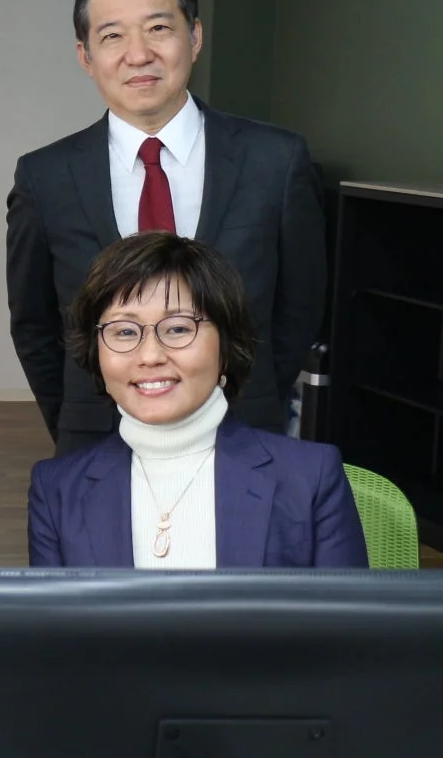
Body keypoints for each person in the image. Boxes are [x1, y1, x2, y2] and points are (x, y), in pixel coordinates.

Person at [7, 0, 327, 456]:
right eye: (112, 36)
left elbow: (300, 306)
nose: (138, 54)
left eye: (158, 28)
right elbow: (35, 325)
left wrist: (247, 393)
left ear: (194, 37)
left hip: (242, 432)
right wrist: (77, 416)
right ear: (86, 56)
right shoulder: (45, 177)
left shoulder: (276, 161)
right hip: (99, 440)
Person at [27, 233, 366, 569]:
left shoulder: (310, 477)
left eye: (178, 329)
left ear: (226, 345)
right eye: (125, 331)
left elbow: (344, 607)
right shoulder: (57, 489)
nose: (150, 356)